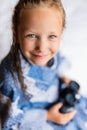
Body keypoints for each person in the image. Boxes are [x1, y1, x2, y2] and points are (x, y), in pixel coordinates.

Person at [0, 0, 87, 130]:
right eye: (31, 35)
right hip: (37, 120)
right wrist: (47, 116)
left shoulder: (49, 53)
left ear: (61, 33)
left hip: (57, 100)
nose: (42, 47)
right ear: (17, 33)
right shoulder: (9, 80)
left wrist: (64, 78)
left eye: (52, 36)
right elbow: (8, 120)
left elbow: (58, 63)